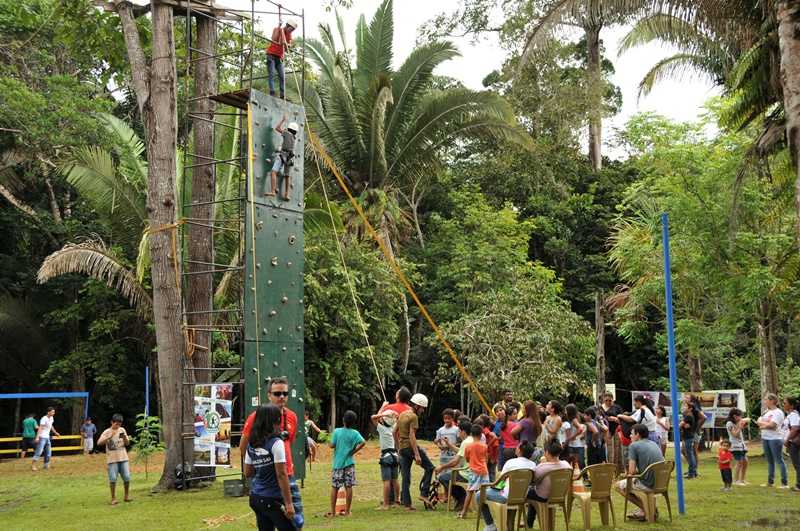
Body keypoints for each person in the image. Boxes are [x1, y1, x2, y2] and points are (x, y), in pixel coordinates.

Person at [239, 378, 304, 527]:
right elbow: (244, 446)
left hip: (287, 475)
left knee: (296, 520)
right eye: (277, 393)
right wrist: (262, 467)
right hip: (268, 480)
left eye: (285, 393)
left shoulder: (292, 416)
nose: (282, 396)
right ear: (269, 395)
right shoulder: (256, 417)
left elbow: (288, 444)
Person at [243, 403, 296, 531]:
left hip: (256, 497)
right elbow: (281, 474)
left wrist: (262, 469)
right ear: (276, 419)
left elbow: (247, 472)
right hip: (273, 499)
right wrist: (289, 503)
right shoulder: (276, 443)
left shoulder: (252, 442)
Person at [477, 440, 537, 531]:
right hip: (522, 497)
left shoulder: (510, 462)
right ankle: (509, 526)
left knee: (478, 494)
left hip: (505, 497)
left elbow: (501, 479)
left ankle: (490, 524)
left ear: (519, 451)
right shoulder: (533, 465)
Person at [614, 424, 665, 521]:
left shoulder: (634, 446)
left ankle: (647, 509)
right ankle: (645, 510)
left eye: (632, 433)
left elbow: (632, 471)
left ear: (637, 435)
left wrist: (640, 474)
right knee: (635, 481)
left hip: (648, 484)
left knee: (618, 485)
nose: (630, 436)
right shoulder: (654, 443)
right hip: (661, 483)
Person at [394, 393, 436, 511]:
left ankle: (407, 505)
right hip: (410, 447)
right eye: (422, 408)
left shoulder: (402, 415)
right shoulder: (413, 417)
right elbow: (412, 435)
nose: (423, 411)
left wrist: (398, 448)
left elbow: (394, 432)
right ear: (417, 406)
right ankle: (424, 494)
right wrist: (417, 454)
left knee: (405, 476)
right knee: (429, 467)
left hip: (403, 448)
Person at [525, 437, 571, 527]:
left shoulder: (542, 467)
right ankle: (529, 521)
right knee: (533, 493)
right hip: (559, 496)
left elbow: (532, 481)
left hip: (543, 496)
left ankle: (525, 521)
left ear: (547, 452)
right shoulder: (567, 465)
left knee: (528, 493)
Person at [327, 410, 366, 518]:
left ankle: (333, 513)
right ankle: (347, 511)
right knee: (349, 486)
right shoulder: (355, 433)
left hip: (338, 463)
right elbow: (363, 442)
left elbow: (332, 445)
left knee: (335, 487)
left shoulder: (337, 431)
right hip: (349, 462)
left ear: (343, 420)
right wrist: (353, 451)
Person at [434, 420, 472, 511]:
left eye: (459, 432)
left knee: (443, 478)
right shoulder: (471, 440)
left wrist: (442, 467)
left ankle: (461, 498)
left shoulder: (465, 442)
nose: (459, 434)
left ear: (463, 432)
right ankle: (463, 497)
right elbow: (460, 451)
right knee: (450, 476)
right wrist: (449, 444)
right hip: (473, 471)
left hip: (467, 473)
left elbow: (455, 462)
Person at [457, 424, 490, 520]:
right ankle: (482, 513)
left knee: (470, 492)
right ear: (481, 435)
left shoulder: (468, 446)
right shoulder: (484, 446)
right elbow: (484, 456)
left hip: (474, 471)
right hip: (484, 471)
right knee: (482, 492)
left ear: (471, 434)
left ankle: (463, 513)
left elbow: (467, 459)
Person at [371, 403, 401, 510]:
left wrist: (385, 412)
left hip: (386, 457)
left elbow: (373, 417)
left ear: (383, 421)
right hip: (395, 456)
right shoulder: (394, 427)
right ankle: (397, 502)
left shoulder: (382, 429)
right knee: (395, 480)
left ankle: (385, 504)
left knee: (386, 481)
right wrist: (388, 412)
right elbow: (382, 418)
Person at [97, 414, 131, 505]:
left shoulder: (122, 430)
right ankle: (113, 498)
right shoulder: (107, 432)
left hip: (123, 457)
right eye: (116, 424)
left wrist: (124, 437)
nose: (118, 426)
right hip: (112, 459)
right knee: (113, 478)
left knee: (127, 477)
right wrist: (109, 437)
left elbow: (127, 443)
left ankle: (126, 496)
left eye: (120, 424)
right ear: (112, 422)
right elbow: (99, 443)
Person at [757, 393, 788, 488]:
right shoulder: (767, 411)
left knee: (779, 460)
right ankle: (770, 481)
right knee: (770, 460)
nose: (765, 401)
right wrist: (766, 425)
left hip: (775, 439)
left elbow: (772, 425)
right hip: (765, 438)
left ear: (772, 401)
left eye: (766, 399)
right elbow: (758, 421)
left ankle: (784, 483)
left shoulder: (778, 412)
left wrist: (763, 426)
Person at [266, 115, 298, 201]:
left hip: (283, 156)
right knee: (287, 176)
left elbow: (277, 128)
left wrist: (283, 119)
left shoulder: (287, 133)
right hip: (290, 159)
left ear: (289, 129)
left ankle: (273, 191)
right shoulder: (295, 138)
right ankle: (286, 194)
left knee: (273, 172)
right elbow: (286, 139)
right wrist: (285, 132)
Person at [266, 18, 297, 99]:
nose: (291, 31)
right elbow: (273, 39)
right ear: (287, 26)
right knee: (271, 73)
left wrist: (285, 43)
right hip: (271, 55)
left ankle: (282, 95)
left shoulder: (289, 35)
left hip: (279, 57)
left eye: (292, 30)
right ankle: (272, 91)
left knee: (282, 76)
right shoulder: (277, 30)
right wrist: (279, 27)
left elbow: (289, 45)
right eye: (291, 29)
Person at [726, 407, 751, 486]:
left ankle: (742, 480)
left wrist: (741, 420)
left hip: (741, 445)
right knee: (739, 463)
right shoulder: (729, 423)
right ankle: (736, 481)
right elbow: (735, 434)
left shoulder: (738, 421)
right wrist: (740, 427)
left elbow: (748, 419)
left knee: (745, 462)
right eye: (739, 416)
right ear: (734, 416)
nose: (740, 418)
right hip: (735, 445)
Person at [600, 392, 624, 473]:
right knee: (607, 450)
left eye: (610, 401)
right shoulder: (600, 408)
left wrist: (615, 419)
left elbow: (623, 420)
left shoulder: (617, 408)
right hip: (604, 431)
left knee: (616, 450)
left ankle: (617, 468)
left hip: (615, 431)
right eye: (606, 400)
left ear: (613, 400)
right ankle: (607, 467)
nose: (608, 402)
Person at [31, 406, 60, 471]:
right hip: (42, 437)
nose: (53, 413)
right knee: (39, 451)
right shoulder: (44, 419)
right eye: (52, 412)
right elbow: (40, 428)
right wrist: (37, 437)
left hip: (47, 437)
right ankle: (33, 465)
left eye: (54, 412)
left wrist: (55, 433)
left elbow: (51, 426)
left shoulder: (51, 418)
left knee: (48, 452)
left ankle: (46, 465)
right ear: (48, 412)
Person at [684, 393, 707, 475]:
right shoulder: (686, 409)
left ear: (692, 400)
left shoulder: (694, 409)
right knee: (684, 450)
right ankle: (692, 467)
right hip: (688, 431)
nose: (685, 399)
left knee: (694, 451)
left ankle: (694, 470)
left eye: (688, 398)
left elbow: (704, 417)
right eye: (685, 397)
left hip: (694, 431)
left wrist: (698, 427)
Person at [781, 396, 800, 492]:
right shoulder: (791, 415)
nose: (783, 405)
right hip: (791, 442)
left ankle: (799, 485)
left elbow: (795, 428)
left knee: (797, 464)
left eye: (785, 403)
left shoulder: (793, 415)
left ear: (792, 405)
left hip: (794, 442)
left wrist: (787, 440)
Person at [564, 404, 586, 474]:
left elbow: (580, 428)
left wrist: (574, 436)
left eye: (566, 410)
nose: (565, 412)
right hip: (571, 444)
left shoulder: (574, 420)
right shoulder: (570, 420)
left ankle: (575, 475)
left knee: (575, 463)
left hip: (575, 444)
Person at [679, 402, 698, 479]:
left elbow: (679, 425)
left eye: (686, 406)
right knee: (689, 454)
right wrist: (684, 424)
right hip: (688, 437)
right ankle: (693, 471)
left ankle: (691, 472)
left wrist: (683, 424)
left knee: (689, 455)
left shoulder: (689, 416)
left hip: (688, 437)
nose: (684, 407)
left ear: (690, 409)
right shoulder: (689, 416)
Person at [497, 406, 519, 471]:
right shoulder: (516, 425)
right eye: (514, 414)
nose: (517, 415)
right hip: (516, 448)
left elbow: (502, 437)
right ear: (509, 416)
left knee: (508, 469)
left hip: (506, 449)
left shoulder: (502, 426)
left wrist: (496, 439)